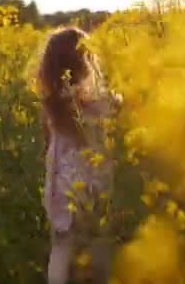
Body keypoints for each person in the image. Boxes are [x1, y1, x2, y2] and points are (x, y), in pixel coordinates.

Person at [37, 27, 122, 284]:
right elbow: (118, 108)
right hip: (95, 186)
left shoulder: (52, 105)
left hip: (62, 189)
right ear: (87, 63)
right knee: (99, 243)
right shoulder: (100, 103)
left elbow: (49, 146)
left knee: (62, 246)